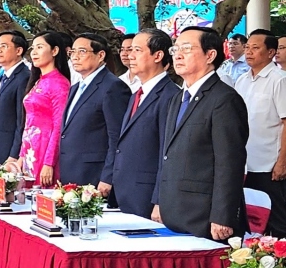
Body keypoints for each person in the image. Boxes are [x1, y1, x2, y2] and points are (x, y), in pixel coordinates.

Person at [154, 27, 249, 240]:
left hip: (205, 217)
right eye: (175, 48)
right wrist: (159, 201)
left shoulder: (224, 99)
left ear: (210, 55)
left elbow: (229, 163)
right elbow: (167, 154)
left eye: (186, 48)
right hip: (174, 211)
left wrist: (222, 216)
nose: (177, 54)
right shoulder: (177, 99)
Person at [111, 29, 176, 218]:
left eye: (137, 50)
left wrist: (159, 200)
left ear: (158, 55)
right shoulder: (136, 95)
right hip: (125, 191)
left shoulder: (170, 96)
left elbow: (167, 154)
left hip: (147, 196)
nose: (129, 56)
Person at [59, 33, 130, 187]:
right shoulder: (75, 88)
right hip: (70, 170)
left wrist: (108, 176)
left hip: (94, 175)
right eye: (72, 52)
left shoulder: (112, 87)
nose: (75, 57)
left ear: (100, 55)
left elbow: (117, 136)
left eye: (82, 52)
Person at [234, 29, 286, 237]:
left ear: (271, 52)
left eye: (256, 48)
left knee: (277, 220)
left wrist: (282, 161)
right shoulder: (242, 80)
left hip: (269, 164)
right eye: (247, 47)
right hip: (246, 163)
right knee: (251, 222)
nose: (249, 52)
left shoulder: (279, 79)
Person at [10, 32, 72, 185]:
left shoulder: (59, 84)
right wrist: (21, 155)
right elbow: (28, 123)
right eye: (33, 48)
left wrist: (49, 163)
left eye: (40, 47)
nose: (34, 52)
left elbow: (59, 126)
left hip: (45, 149)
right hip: (30, 149)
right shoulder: (37, 81)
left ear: (55, 51)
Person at [0, 32, 31, 165]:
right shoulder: (3, 76)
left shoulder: (24, 77)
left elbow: (21, 120)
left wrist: (14, 154)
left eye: (4, 46)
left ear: (18, 50)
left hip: (10, 150)